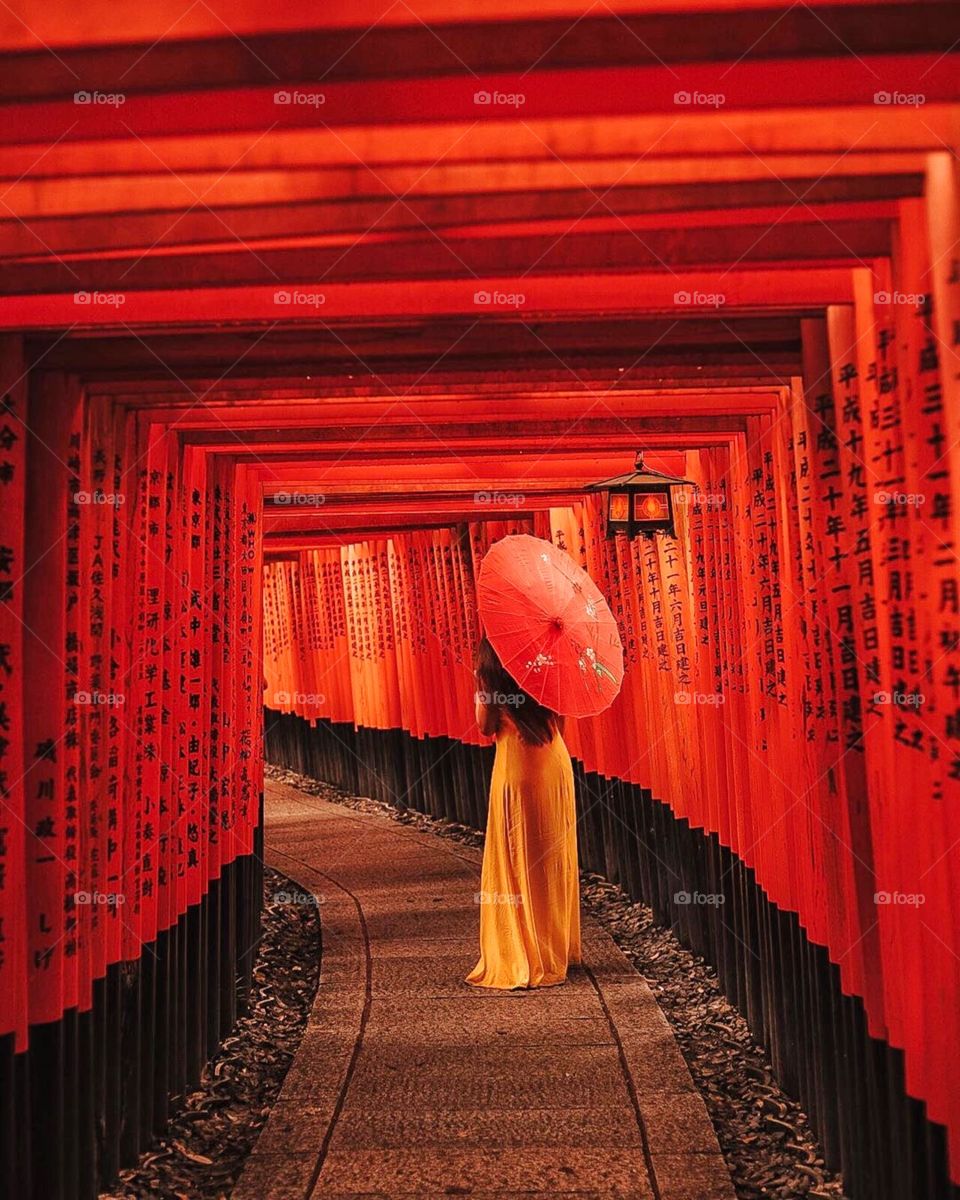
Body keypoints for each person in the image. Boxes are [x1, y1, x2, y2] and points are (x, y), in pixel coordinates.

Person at [465, 635, 581, 989]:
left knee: (518, 856)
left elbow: (485, 728)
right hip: (553, 763)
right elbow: (559, 724)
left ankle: (523, 949)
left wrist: (480, 688)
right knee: (552, 855)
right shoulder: (546, 662)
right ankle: (552, 947)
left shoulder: (491, 676)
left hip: (516, 769)